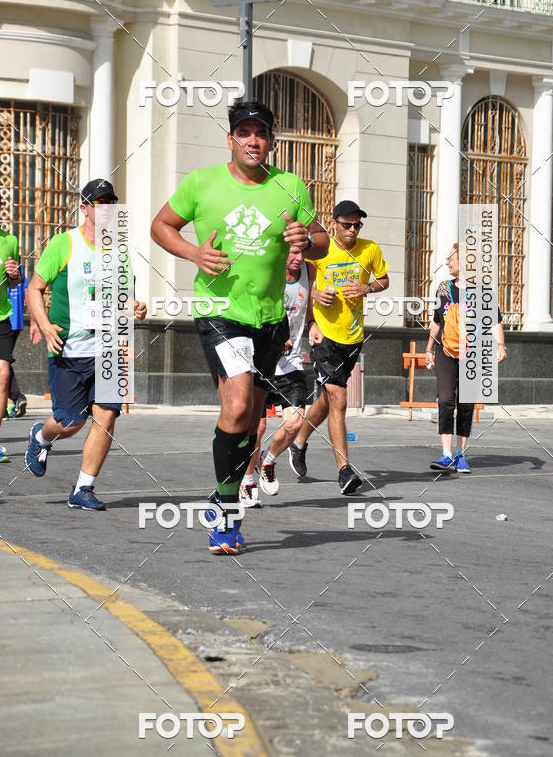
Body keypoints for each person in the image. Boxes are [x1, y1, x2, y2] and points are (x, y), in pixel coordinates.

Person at [150, 100, 329, 554]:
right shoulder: (202, 182)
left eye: (261, 133)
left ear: (271, 141)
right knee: (236, 406)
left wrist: (306, 241)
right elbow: (161, 226)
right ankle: (227, 517)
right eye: (244, 132)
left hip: (269, 319)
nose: (253, 140)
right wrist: (194, 254)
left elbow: (323, 242)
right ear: (230, 138)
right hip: (219, 311)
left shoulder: (289, 187)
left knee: (251, 420)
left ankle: (222, 491)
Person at [25, 179, 147, 509]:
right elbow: (33, 289)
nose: (106, 208)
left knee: (106, 416)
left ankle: (83, 488)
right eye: (99, 203)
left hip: (107, 348)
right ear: (85, 209)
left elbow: (127, 298)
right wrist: (45, 323)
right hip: (68, 348)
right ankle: (41, 436)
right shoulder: (64, 245)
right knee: (70, 421)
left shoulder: (119, 251)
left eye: (111, 203)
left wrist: (135, 307)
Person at [290, 201, 389, 494]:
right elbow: (302, 286)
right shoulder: (320, 251)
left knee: (328, 399)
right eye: (347, 225)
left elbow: (384, 280)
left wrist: (367, 287)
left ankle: (298, 442)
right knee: (340, 398)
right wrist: (315, 301)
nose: (352, 230)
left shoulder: (370, 250)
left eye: (357, 225)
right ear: (334, 224)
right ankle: (344, 471)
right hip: (325, 336)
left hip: (353, 336)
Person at [425, 242, 507, 473]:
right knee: (446, 398)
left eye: (451, 257)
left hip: (472, 353)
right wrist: (429, 348)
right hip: (445, 351)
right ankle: (446, 454)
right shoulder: (443, 288)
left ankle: (461, 454)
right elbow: (437, 321)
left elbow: (494, 321)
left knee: (466, 403)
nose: (447, 261)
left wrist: (500, 345)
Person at [239, 246, 311, 507]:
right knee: (256, 427)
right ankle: (247, 481)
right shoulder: (266, 274)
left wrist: (313, 325)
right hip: (260, 359)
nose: (298, 258)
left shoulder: (308, 271)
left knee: (295, 421)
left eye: (302, 253)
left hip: (290, 363)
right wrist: (273, 337)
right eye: (292, 253)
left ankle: (267, 460)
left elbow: (308, 306)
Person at [0, 187, 23, 462]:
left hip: (0, 315)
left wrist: (13, 276)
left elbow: (15, 281)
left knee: (2, 374)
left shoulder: (9, 240)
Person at [6, 265, 28, 418]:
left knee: (1, 361)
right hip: (16, 320)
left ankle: (15, 397)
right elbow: (26, 292)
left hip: (4, 320)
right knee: (3, 361)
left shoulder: (2, 268)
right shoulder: (18, 268)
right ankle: (13, 398)